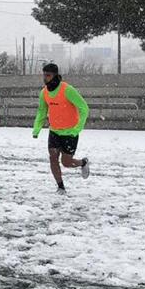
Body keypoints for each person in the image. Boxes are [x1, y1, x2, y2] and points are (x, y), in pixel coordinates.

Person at [32, 63, 90, 194]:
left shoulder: (67, 90)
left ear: (55, 76)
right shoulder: (44, 92)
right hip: (54, 131)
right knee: (53, 157)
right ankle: (61, 187)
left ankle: (83, 163)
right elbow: (41, 111)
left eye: (48, 75)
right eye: (44, 75)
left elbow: (84, 108)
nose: (45, 78)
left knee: (66, 162)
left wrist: (77, 128)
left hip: (70, 132)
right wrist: (37, 128)